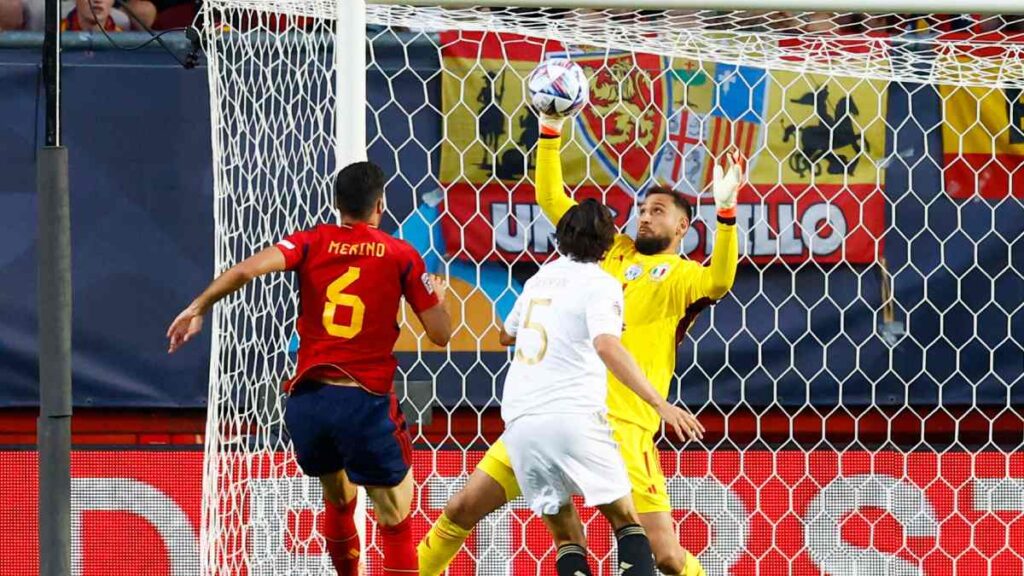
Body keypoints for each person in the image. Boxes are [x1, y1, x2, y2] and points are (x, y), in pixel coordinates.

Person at [419, 109, 741, 576]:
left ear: (682, 229)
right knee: (461, 509)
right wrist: (550, 131)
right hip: (559, 410)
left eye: (658, 212)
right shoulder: (606, 253)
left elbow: (721, 280)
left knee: (666, 556)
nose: (645, 217)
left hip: (624, 425)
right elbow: (551, 196)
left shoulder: (683, 277)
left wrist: (727, 214)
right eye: (642, 210)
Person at [167, 161, 452, 576]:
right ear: (381, 204)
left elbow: (246, 269)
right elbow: (440, 335)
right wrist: (438, 298)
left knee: (338, 499)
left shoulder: (312, 241)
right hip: (363, 402)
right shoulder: (401, 254)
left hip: (309, 401)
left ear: (337, 204)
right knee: (395, 518)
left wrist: (198, 307)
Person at [499, 198, 700, 575]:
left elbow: (502, 336)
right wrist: (661, 404)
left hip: (521, 424)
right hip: (580, 422)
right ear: (609, 244)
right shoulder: (603, 285)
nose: (641, 219)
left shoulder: (538, 281)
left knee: (567, 538)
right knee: (629, 524)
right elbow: (607, 345)